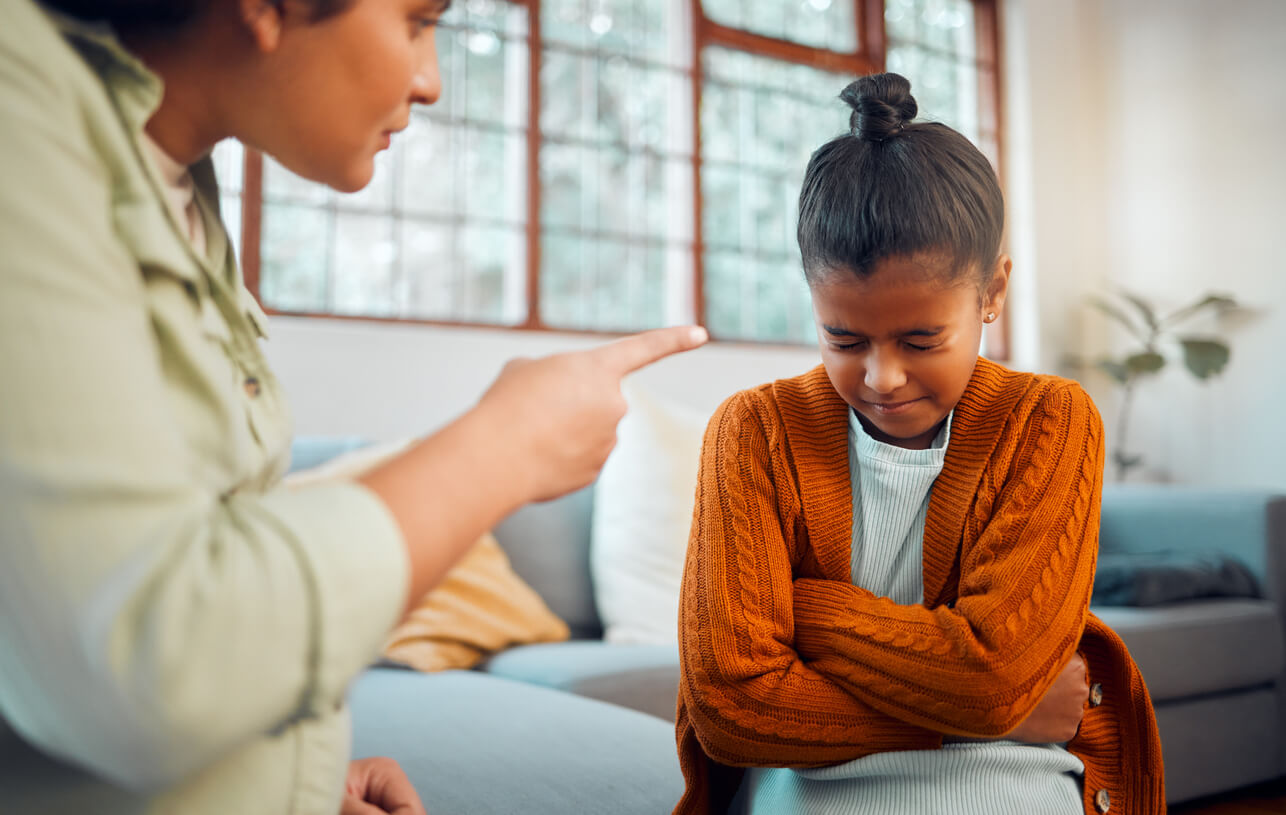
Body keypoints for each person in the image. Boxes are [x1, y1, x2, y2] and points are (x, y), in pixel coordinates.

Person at [0, 1, 706, 813]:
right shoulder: (25, 119)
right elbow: (132, 665)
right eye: (415, 20)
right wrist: (509, 442)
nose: (432, 80)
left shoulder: (174, 179)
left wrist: (287, 773)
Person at [673, 73, 1164, 815]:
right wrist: (977, 719)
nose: (882, 375)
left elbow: (994, 677)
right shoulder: (754, 432)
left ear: (992, 293)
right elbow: (729, 708)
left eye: (920, 338)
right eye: (844, 337)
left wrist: (812, 613)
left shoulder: (1050, 421)